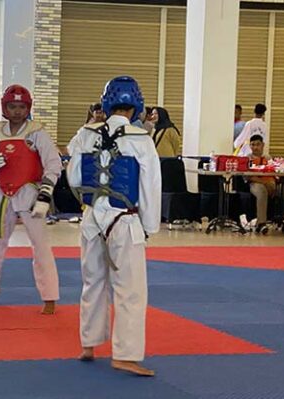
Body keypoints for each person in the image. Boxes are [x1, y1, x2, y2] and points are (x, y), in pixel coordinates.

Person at [67, 76, 161, 376]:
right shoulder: (141, 139)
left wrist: (92, 202)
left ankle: (88, 343)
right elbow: (151, 185)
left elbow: (74, 177)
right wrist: (149, 225)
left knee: (93, 281)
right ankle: (125, 355)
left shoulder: (85, 133)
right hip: (125, 218)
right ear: (136, 105)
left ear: (106, 102)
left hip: (92, 217)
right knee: (130, 289)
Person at [0, 85, 61, 314]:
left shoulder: (36, 132)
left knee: (40, 244)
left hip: (29, 193)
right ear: (5, 107)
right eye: (12, 106)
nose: (17, 111)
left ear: (28, 108)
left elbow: (53, 163)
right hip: (1, 193)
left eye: (21, 107)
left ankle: (49, 296)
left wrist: (46, 191)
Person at [247, 134, 284, 234]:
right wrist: (265, 183)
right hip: (256, 184)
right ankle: (261, 223)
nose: (255, 147)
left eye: (257, 144)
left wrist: (272, 182)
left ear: (262, 145)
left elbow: (275, 173)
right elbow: (248, 177)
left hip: (272, 184)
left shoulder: (268, 158)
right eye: (252, 145)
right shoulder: (247, 158)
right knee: (262, 192)